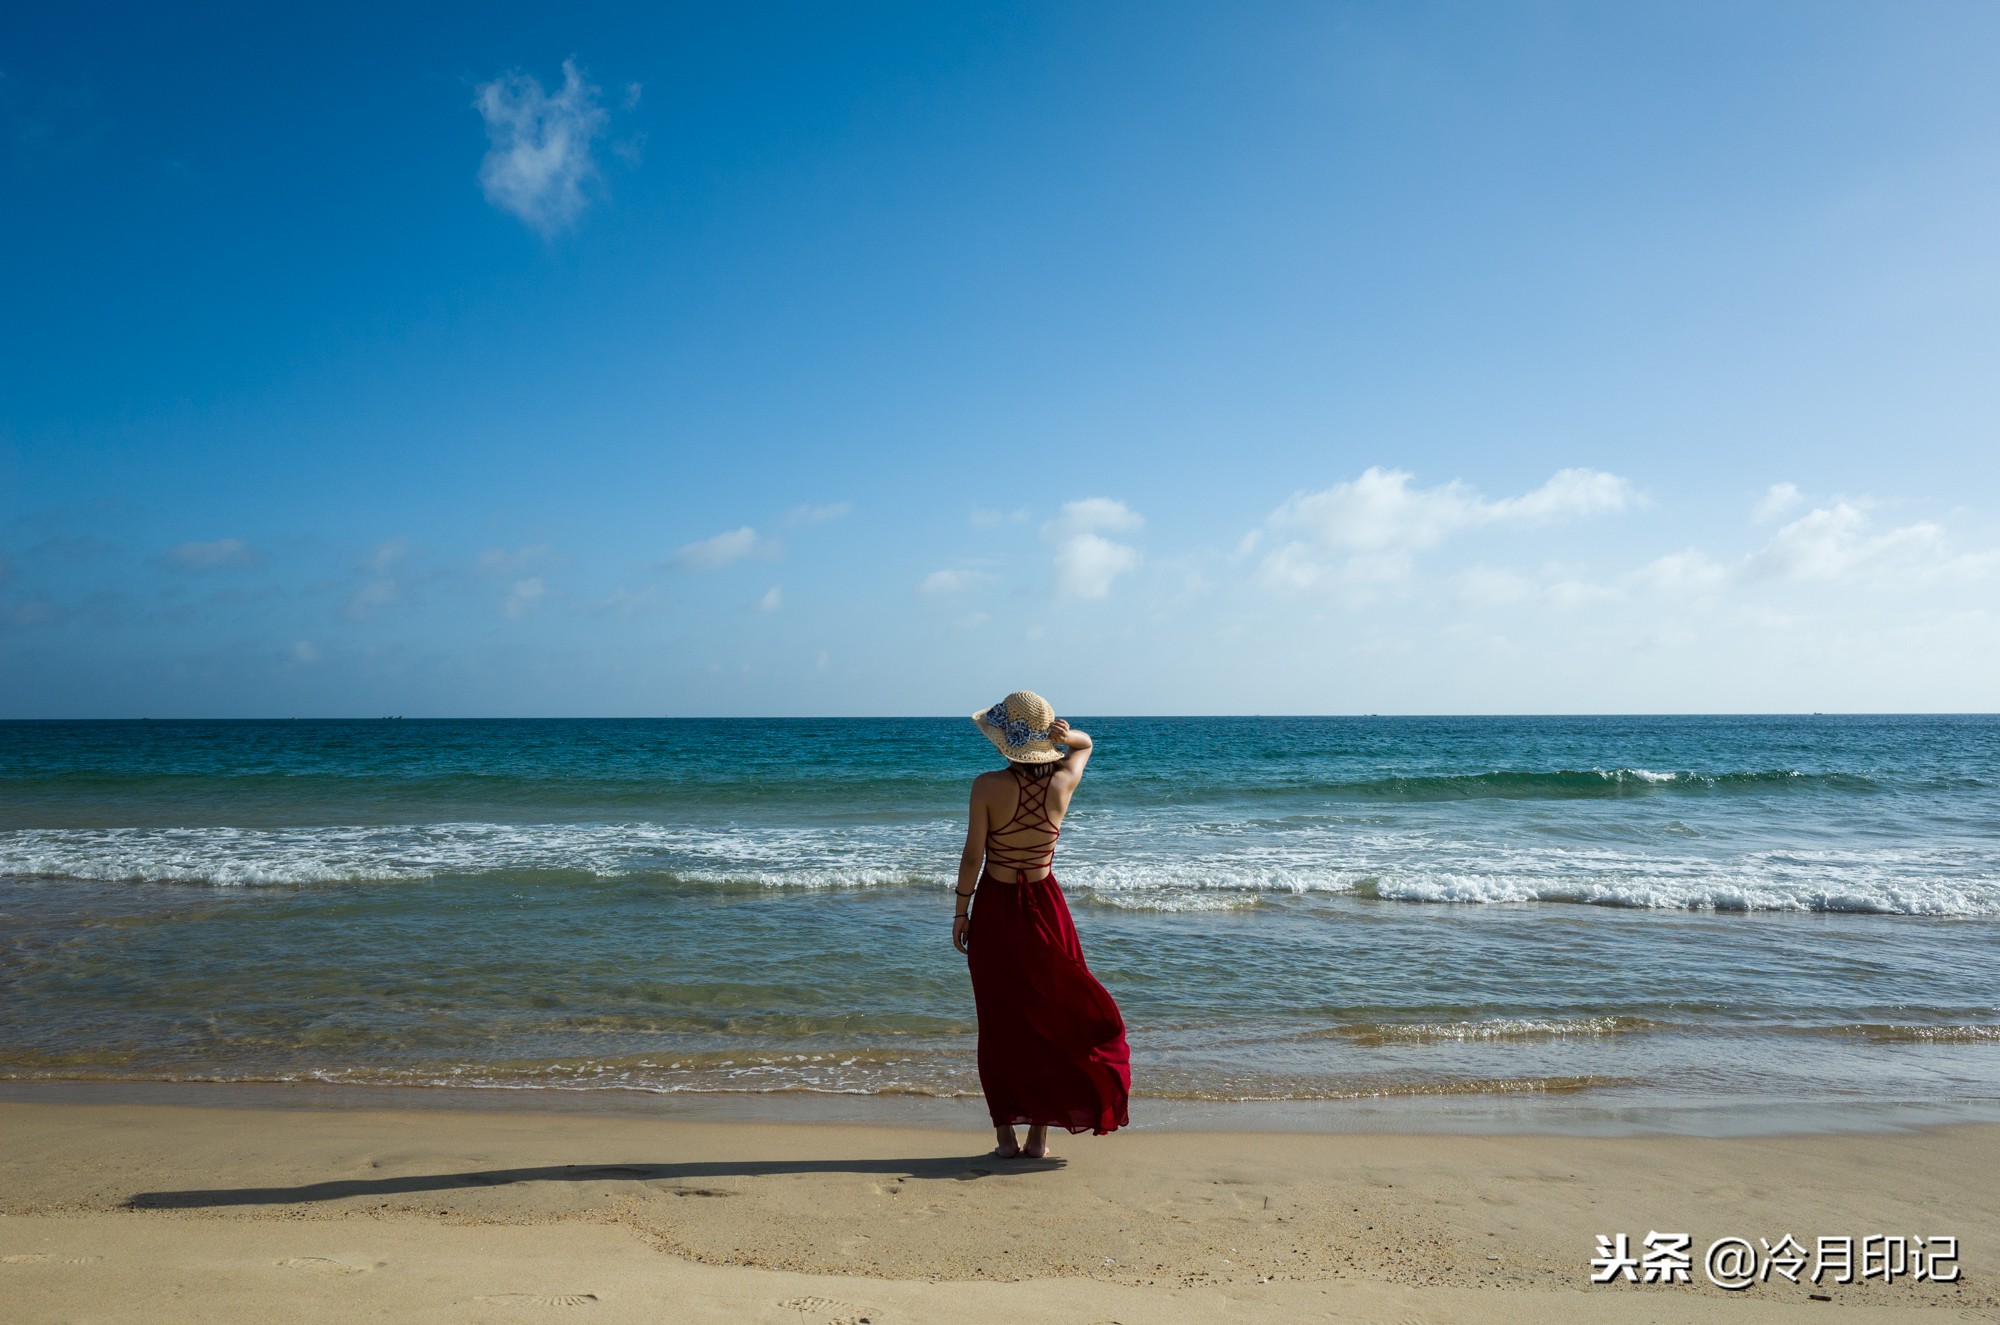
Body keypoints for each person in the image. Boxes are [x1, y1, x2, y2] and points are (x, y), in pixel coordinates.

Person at [954, 690, 1130, 1159]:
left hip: (996, 909)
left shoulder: (986, 786)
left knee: (1000, 1024)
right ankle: (1038, 1137)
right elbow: (1086, 744)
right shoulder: (1062, 782)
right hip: (1047, 908)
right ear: (1046, 743)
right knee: (1050, 1021)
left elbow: (974, 856)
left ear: (1003, 742)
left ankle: (1005, 1138)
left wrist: (960, 911)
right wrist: (1065, 735)